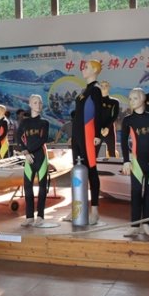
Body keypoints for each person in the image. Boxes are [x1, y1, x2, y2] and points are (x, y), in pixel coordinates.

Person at [120, 88, 149, 237]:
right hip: (137, 162)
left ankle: (146, 224)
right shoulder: (128, 120)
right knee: (135, 193)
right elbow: (123, 142)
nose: (131, 101)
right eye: (130, 98)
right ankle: (134, 225)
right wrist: (126, 161)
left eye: (135, 98)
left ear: (142, 99)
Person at [66, 60, 103, 225]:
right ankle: (77, 207)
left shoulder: (96, 90)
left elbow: (99, 113)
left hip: (88, 135)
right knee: (77, 171)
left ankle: (95, 210)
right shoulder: (84, 91)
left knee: (91, 170)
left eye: (86, 67)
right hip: (77, 136)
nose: (83, 69)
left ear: (94, 70)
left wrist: (97, 134)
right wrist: (73, 135)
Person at [17, 94, 50, 227]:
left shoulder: (44, 123)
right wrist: (25, 152)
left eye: (40, 103)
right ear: (30, 104)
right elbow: (19, 138)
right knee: (27, 187)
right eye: (35, 103)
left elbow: (43, 140)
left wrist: (28, 151)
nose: (38, 105)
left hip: (41, 157)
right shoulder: (24, 122)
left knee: (42, 188)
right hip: (29, 158)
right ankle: (29, 216)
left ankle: (40, 216)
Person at [97, 81, 120, 157]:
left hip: (109, 128)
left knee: (112, 152)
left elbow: (115, 115)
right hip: (97, 129)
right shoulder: (95, 101)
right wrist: (99, 128)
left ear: (109, 87)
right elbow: (94, 115)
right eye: (102, 85)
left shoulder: (114, 102)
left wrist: (107, 127)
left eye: (106, 85)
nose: (104, 87)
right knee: (94, 151)